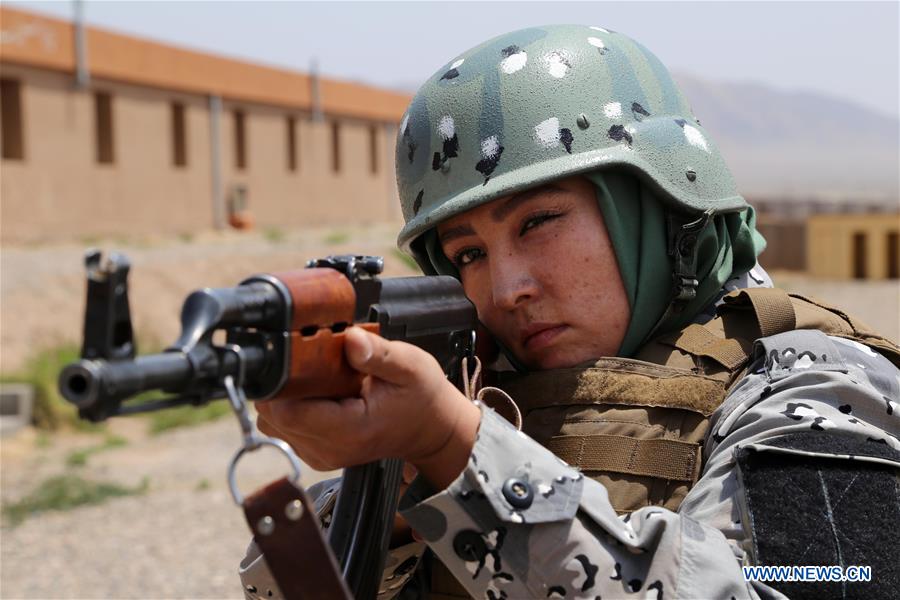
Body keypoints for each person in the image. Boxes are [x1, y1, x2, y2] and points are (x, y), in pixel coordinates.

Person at [240, 25, 900, 599]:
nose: (505, 289)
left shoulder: (816, 386)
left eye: (540, 221)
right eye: (467, 252)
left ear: (660, 203)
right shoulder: (484, 389)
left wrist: (455, 450)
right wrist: (397, 493)